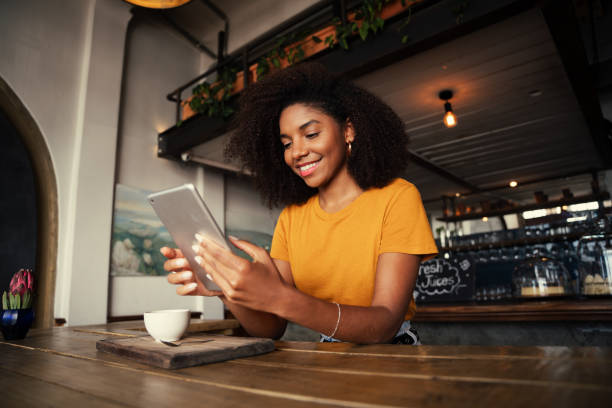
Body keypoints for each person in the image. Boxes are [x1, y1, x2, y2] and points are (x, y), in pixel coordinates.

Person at [161, 62, 437, 344]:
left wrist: (280, 297)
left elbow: (385, 324)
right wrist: (225, 287)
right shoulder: (292, 217)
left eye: (311, 134)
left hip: (392, 362)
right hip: (325, 366)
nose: (297, 152)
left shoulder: (398, 198)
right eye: (287, 143)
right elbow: (270, 327)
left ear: (348, 131)